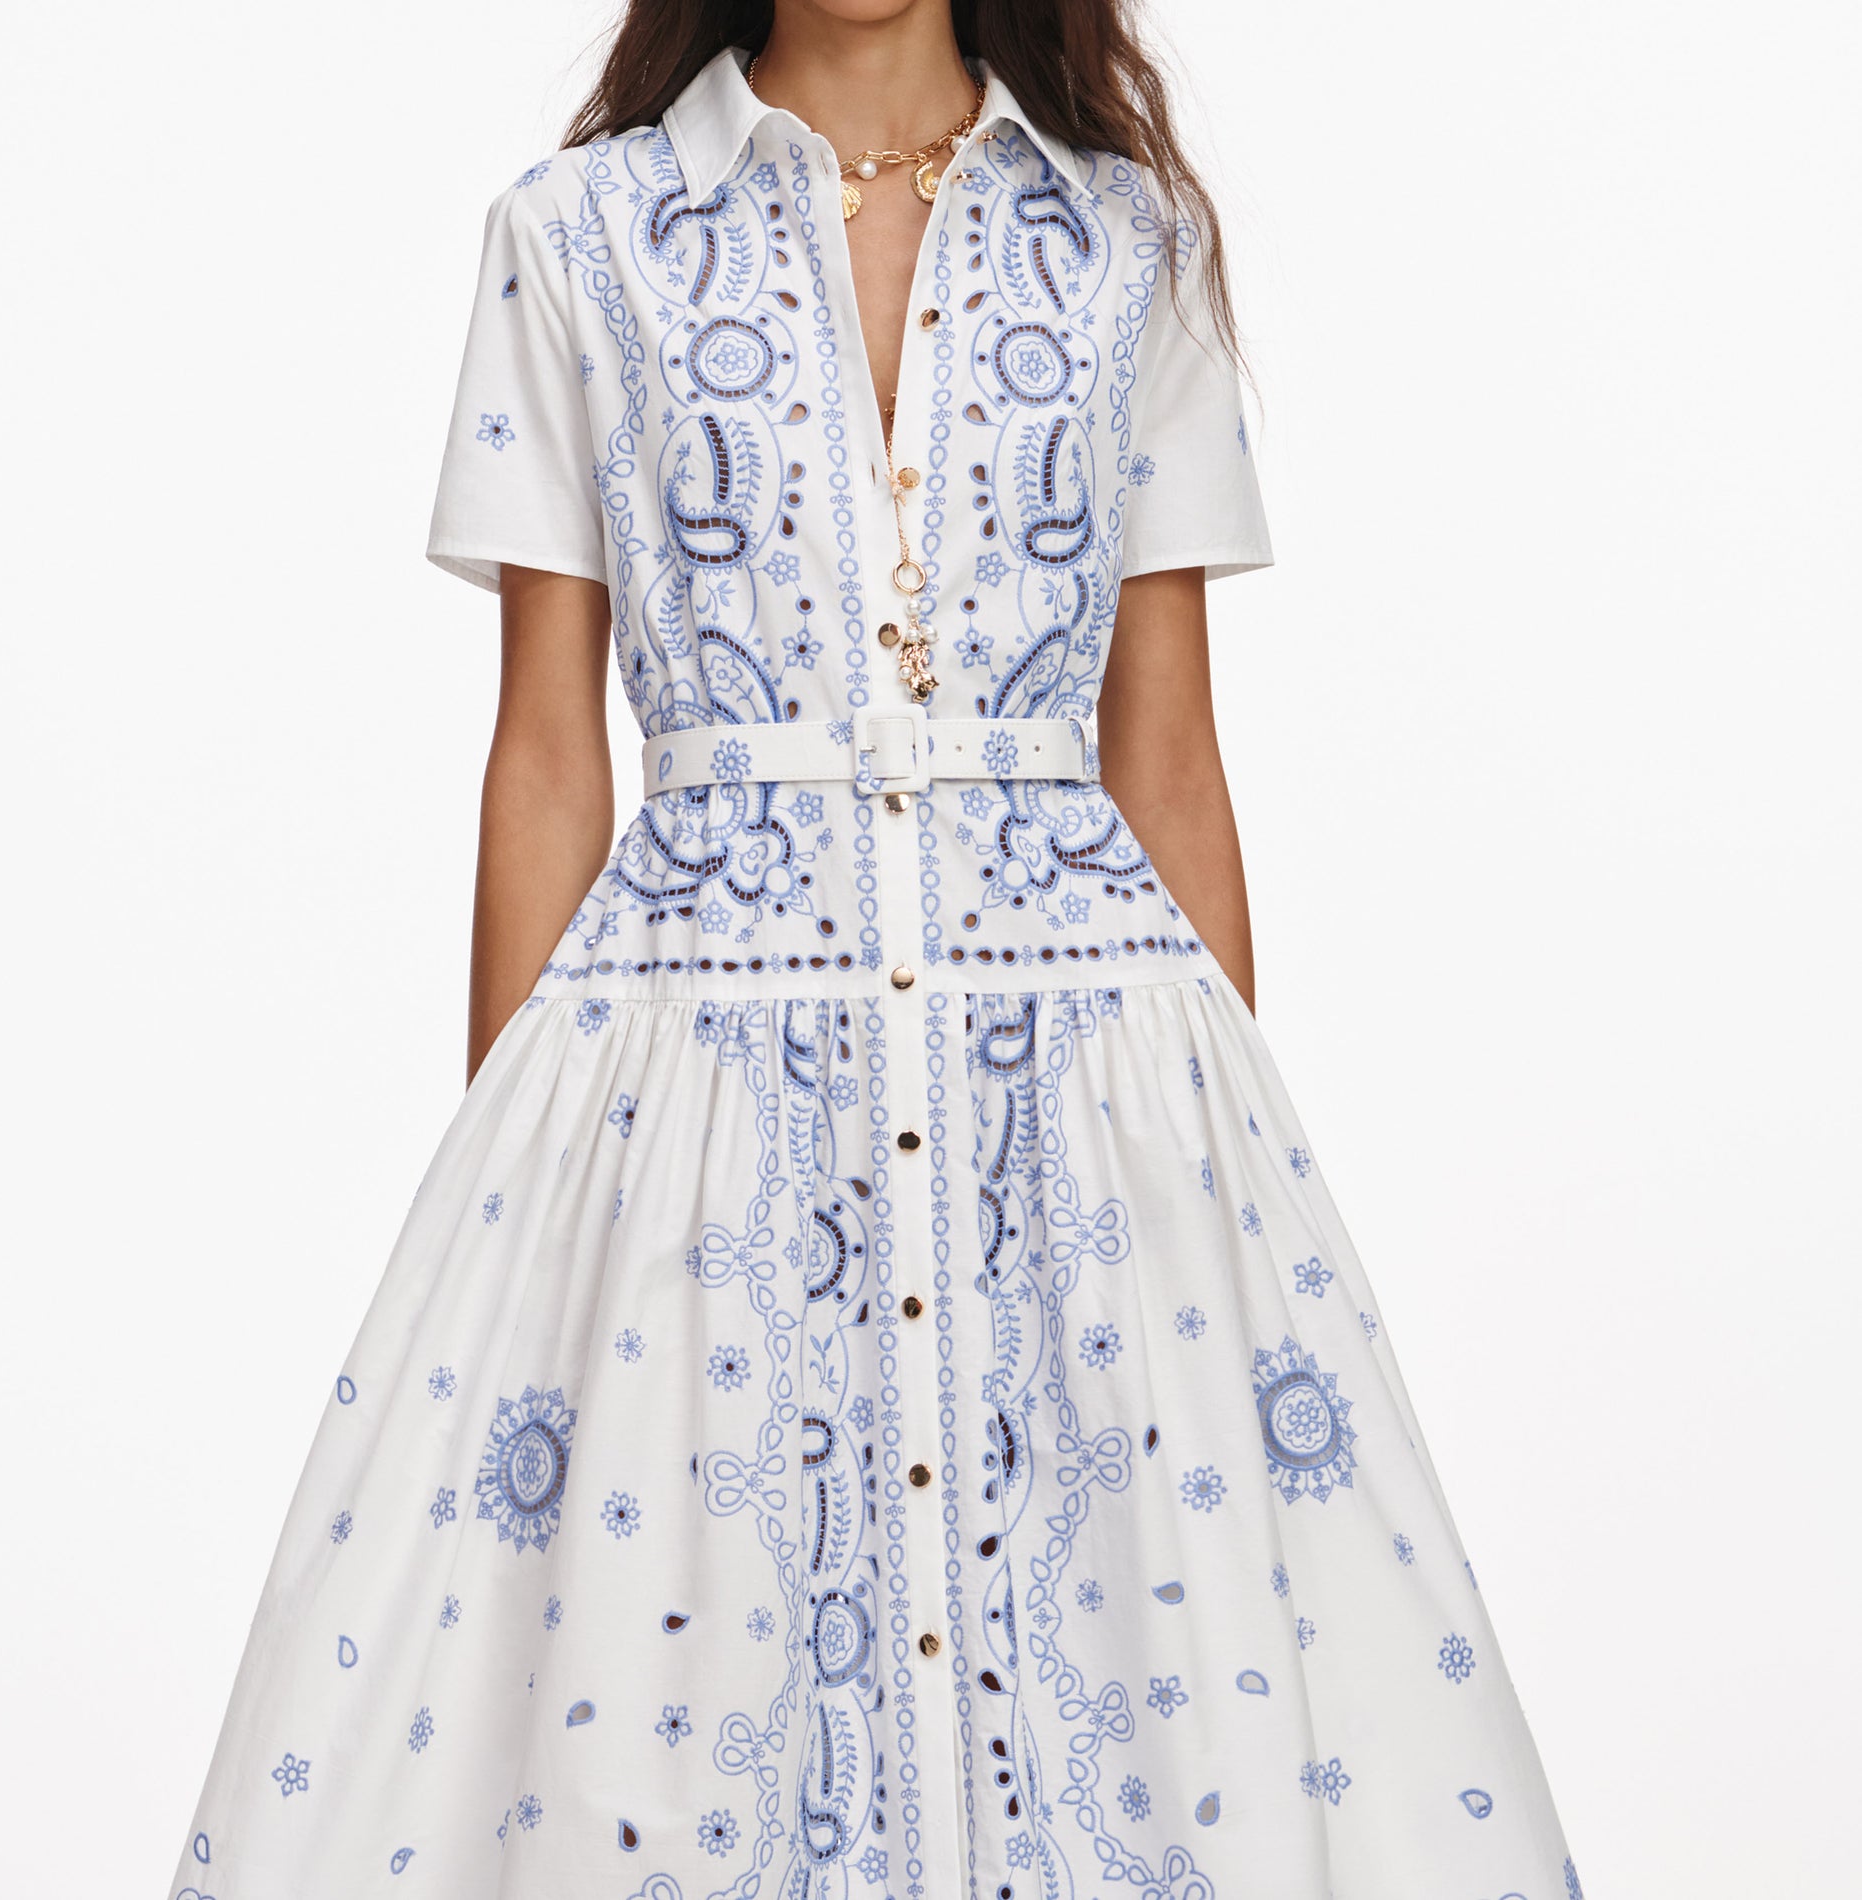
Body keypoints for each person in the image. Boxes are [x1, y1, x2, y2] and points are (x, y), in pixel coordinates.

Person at [169, 6, 1580, 1897]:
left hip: (1077, 1082)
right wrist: (513, 1223)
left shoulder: (1129, 241)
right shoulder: (578, 234)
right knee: (671, 1714)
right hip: (700, 1079)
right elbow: (548, 743)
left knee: (1154, 1717)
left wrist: (1226, 1210)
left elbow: (1166, 743)